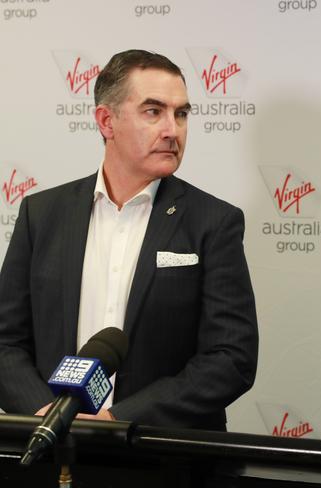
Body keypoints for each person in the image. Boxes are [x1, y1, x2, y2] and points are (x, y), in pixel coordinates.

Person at [0, 50, 258, 430]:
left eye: (181, 113)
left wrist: (117, 420)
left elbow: (231, 357)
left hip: (162, 457)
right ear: (107, 121)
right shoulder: (42, 214)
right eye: (153, 112)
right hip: (53, 449)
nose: (172, 129)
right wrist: (46, 415)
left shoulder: (214, 222)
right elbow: (5, 342)